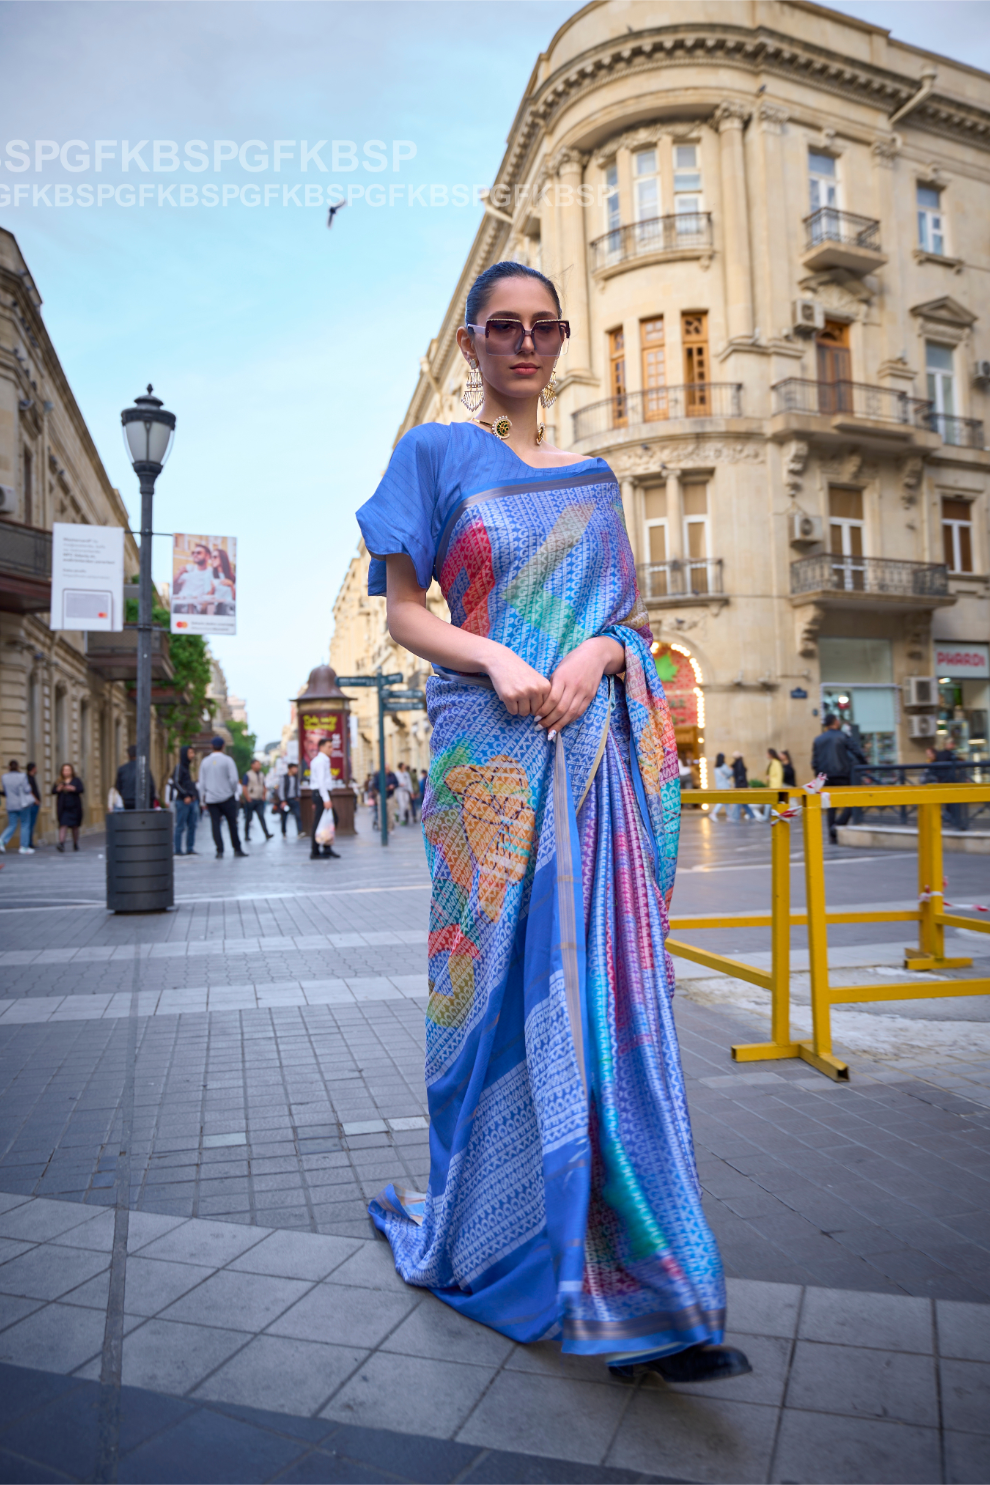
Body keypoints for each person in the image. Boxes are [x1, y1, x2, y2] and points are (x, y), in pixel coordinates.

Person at [355, 260, 749, 1387]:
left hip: (593, 774)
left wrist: (600, 651)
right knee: (488, 1018)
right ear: (473, 345)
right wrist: (495, 654)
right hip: (490, 777)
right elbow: (402, 611)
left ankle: (646, 1286)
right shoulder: (435, 457)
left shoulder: (595, 478)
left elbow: (621, 621)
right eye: (503, 329)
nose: (525, 345)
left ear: (560, 341)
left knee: (604, 1009)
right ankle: (495, 1239)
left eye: (544, 328)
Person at [811, 714, 867, 843]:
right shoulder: (842, 736)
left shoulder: (818, 740)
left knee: (830, 806)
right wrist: (864, 764)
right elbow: (856, 751)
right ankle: (838, 825)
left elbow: (814, 762)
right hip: (842, 774)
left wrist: (818, 777)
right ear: (835, 722)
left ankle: (832, 835)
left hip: (825, 777)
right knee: (853, 801)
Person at [198, 736, 246, 858]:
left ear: (211, 746)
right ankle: (237, 849)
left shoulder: (205, 761)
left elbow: (201, 782)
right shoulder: (228, 760)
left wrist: (202, 800)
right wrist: (233, 791)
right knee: (232, 824)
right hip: (227, 797)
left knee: (215, 825)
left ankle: (219, 850)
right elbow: (234, 779)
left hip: (211, 798)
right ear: (223, 746)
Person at [309, 737, 341, 859]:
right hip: (321, 794)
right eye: (329, 747)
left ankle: (326, 848)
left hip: (321, 794)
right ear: (321, 747)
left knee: (329, 821)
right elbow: (321, 782)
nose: (332, 749)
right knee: (320, 822)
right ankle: (315, 851)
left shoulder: (324, 760)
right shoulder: (320, 761)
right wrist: (326, 799)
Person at [0, 761, 36, 854]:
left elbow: (6, 791)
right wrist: (30, 786)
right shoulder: (22, 776)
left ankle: (2, 840)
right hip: (22, 804)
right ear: (18, 767)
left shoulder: (4, 777)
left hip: (10, 804)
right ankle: (23, 847)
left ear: (8, 767)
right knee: (25, 824)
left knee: (12, 824)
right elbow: (27, 789)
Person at [173, 543, 217, 613]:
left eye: (199, 553)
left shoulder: (211, 573)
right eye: (193, 553)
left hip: (195, 608)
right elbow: (172, 582)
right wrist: (179, 573)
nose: (195, 555)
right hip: (180, 604)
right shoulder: (189, 569)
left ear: (207, 556)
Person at [171, 745, 199, 855]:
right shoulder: (179, 767)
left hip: (191, 800)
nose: (193, 755)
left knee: (192, 825)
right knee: (180, 825)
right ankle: (177, 849)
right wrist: (185, 795)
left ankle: (190, 848)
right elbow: (176, 782)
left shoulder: (187, 767)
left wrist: (193, 795)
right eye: (190, 753)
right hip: (182, 801)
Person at [52, 763, 84, 852]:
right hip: (63, 807)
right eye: (64, 770)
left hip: (74, 806)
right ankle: (61, 843)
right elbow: (53, 791)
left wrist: (73, 788)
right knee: (63, 824)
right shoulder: (59, 781)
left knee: (75, 826)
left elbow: (81, 789)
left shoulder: (76, 780)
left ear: (71, 771)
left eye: (68, 770)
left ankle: (75, 843)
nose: (66, 772)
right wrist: (58, 789)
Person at [114, 745, 157, 811]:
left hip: (127, 801)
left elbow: (118, 786)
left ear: (128, 755)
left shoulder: (122, 769)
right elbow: (151, 786)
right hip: (143, 801)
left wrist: (125, 795)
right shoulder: (144, 768)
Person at [242, 759, 273, 842]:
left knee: (261, 816)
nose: (259, 766)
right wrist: (247, 798)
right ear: (252, 765)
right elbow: (244, 787)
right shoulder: (248, 774)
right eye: (257, 764)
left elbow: (264, 786)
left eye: (259, 764)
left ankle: (267, 833)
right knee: (248, 818)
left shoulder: (261, 774)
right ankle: (246, 835)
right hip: (251, 799)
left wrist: (264, 795)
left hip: (259, 799)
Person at [275, 762, 303, 837]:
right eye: (294, 768)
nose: (296, 770)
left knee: (298, 815)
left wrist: (298, 796)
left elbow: (298, 788)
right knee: (284, 817)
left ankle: (300, 831)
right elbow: (281, 789)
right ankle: (284, 832)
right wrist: (283, 800)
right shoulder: (284, 777)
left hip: (294, 799)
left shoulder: (296, 777)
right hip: (286, 800)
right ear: (290, 769)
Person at [728, 752, 756, 822]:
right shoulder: (739, 763)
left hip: (740, 786)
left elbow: (739, 776)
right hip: (742, 785)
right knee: (744, 802)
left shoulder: (739, 763)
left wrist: (738, 785)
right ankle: (752, 815)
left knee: (739, 802)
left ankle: (736, 817)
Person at [210, 546, 236, 614]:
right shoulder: (209, 575)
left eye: (215, 557)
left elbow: (235, 598)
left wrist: (231, 585)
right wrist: (212, 588)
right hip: (218, 608)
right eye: (211, 557)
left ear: (223, 558)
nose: (212, 559)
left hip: (231, 607)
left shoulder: (233, 576)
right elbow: (207, 598)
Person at [709, 752, 733, 820]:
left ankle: (729, 816)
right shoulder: (724, 766)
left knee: (726, 801)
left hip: (719, 786)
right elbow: (729, 773)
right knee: (722, 801)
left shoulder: (715, 768)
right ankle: (713, 813)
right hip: (725, 786)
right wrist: (731, 770)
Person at [24, 763, 41, 848]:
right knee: (30, 824)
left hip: (33, 803)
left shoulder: (30, 777)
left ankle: (28, 842)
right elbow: (29, 790)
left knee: (30, 824)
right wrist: (36, 800)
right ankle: (29, 843)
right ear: (33, 768)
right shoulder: (29, 778)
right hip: (32, 804)